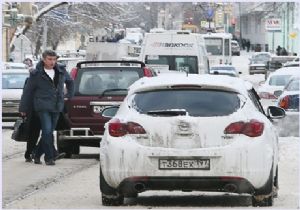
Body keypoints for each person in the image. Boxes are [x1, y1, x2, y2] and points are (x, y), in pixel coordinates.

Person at [19, 50, 74, 166]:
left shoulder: (61, 70)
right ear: (43, 59)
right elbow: (27, 92)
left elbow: (70, 82)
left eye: (54, 59)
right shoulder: (36, 74)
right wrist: (23, 108)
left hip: (57, 106)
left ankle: (38, 154)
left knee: (48, 133)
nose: (52, 62)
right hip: (42, 106)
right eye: (49, 59)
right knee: (47, 131)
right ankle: (49, 158)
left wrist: (69, 95)